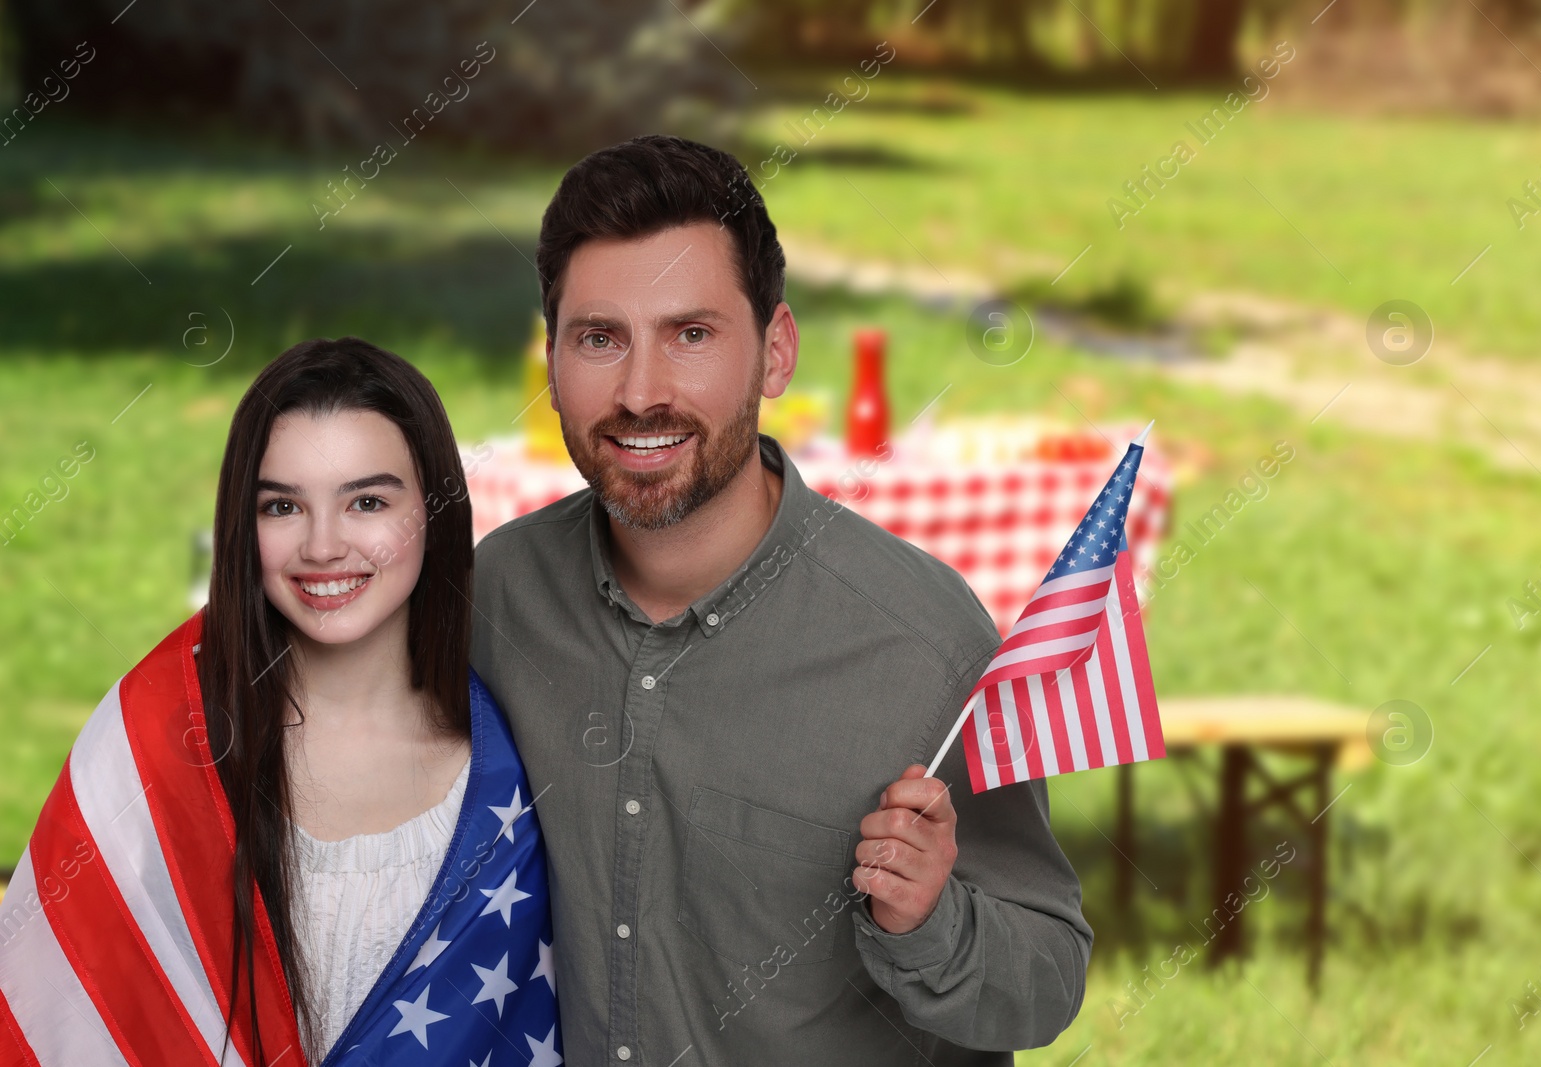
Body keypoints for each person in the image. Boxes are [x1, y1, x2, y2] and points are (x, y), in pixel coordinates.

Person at [471, 134, 1092, 1065]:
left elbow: (1044, 982)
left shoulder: (919, 643)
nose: (641, 393)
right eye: (600, 339)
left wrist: (932, 918)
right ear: (552, 357)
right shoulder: (495, 598)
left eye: (691, 334)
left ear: (775, 352)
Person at [0, 338, 559, 1067]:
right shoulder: (158, 737)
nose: (322, 544)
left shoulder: (513, 772)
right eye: (283, 505)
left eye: (367, 500)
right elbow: (57, 1002)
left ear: (434, 508)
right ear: (242, 521)